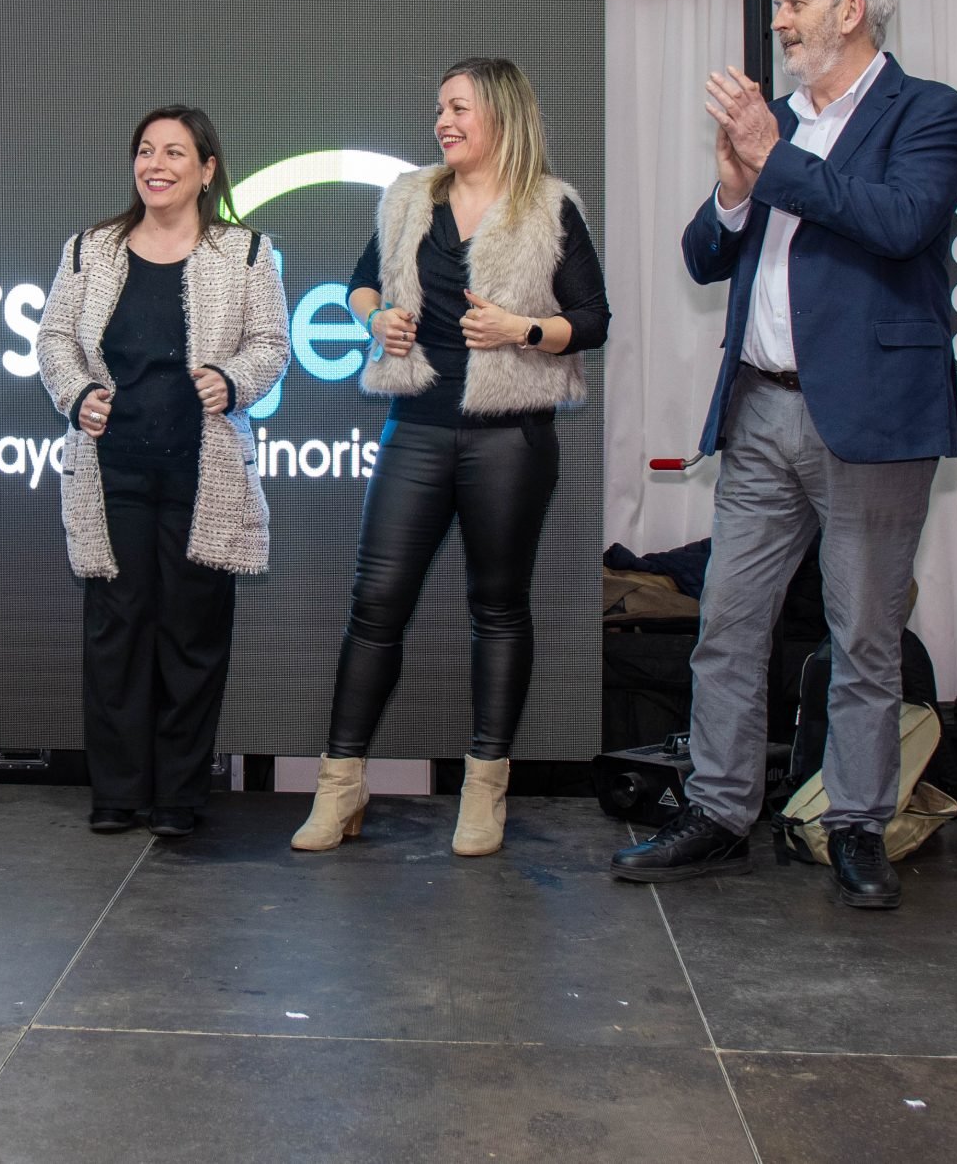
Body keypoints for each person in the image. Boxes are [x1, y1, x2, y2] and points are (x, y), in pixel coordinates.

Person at [609, 0, 957, 909]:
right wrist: (735, 189)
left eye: (795, 1)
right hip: (762, 406)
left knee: (864, 636)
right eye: (780, 3)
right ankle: (718, 811)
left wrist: (775, 159)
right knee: (727, 622)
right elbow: (704, 255)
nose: (779, 20)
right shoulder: (781, 121)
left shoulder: (929, 113)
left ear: (852, 10)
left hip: (873, 416)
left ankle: (856, 823)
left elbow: (900, 222)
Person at [290, 57, 609, 859]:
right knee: (375, 604)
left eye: (460, 107)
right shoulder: (410, 198)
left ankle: (483, 790)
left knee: (498, 608)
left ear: (501, 113)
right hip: (418, 425)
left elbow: (592, 318)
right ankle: (339, 787)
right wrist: (377, 319)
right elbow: (362, 284)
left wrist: (520, 330)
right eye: (440, 108)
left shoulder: (549, 206)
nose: (444, 121)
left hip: (511, 436)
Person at [38, 107, 291, 837]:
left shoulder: (246, 253)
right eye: (146, 150)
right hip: (111, 471)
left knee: (193, 632)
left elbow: (272, 344)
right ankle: (117, 793)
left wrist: (234, 380)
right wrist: (76, 393)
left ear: (207, 170)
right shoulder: (90, 250)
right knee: (115, 631)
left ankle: (179, 796)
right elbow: (54, 338)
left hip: (203, 473)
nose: (156, 164)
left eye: (175, 153)